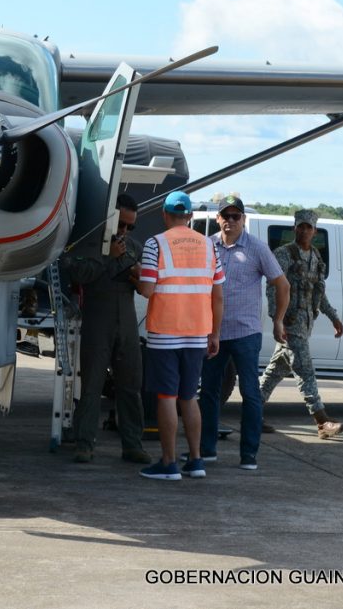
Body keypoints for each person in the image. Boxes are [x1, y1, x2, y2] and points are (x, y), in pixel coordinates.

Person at [197, 195, 289, 471]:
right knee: (209, 393)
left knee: (250, 392)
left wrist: (278, 321)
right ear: (218, 219)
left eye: (236, 216)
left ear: (243, 220)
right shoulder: (207, 246)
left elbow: (282, 285)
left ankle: (249, 454)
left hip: (246, 333)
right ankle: (207, 449)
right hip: (213, 333)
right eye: (226, 216)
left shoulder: (257, 248)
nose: (230, 221)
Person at [137, 190, 224, 480]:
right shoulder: (209, 246)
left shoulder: (156, 244)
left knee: (166, 397)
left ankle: (168, 462)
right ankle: (196, 460)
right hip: (198, 332)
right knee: (189, 397)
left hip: (165, 332)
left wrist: (134, 276)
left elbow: (147, 289)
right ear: (189, 216)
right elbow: (218, 294)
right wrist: (215, 333)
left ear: (164, 214)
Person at [62, 193, 150, 464]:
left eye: (130, 227)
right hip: (97, 322)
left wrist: (136, 273)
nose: (124, 231)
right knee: (91, 385)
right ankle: (84, 443)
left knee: (131, 385)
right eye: (121, 225)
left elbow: (144, 282)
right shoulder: (89, 243)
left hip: (126, 322)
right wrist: (107, 258)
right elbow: (75, 272)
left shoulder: (134, 247)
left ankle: (132, 444)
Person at [260, 208, 343, 439]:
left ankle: (252, 412)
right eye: (301, 226)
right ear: (294, 228)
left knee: (275, 371)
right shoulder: (283, 254)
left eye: (309, 227)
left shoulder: (316, 257)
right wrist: (277, 320)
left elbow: (319, 292)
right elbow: (273, 289)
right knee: (305, 371)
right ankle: (322, 421)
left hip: (306, 323)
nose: (304, 230)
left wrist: (334, 317)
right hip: (289, 325)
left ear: (315, 231)